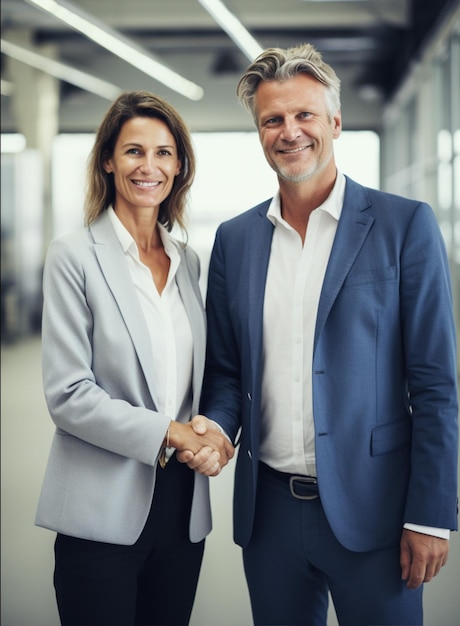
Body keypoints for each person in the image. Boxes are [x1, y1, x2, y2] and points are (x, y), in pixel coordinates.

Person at [179, 44, 459, 625]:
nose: (290, 132)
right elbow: (229, 370)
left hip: (377, 509)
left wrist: (429, 515)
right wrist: (216, 427)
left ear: (335, 121)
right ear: (259, 133)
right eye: (272, 119)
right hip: (271, 515)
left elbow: (434, 385)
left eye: (304, 115)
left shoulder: (404, 225)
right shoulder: (235, 240)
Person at [35, 90, 234, 626]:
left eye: (165, 153)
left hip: (181, 510)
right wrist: (171, 432)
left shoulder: (188, 261)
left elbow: (204, 375)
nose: (150, 166)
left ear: (180, 166)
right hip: (101, 509)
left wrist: (212, 431)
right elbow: (68, 396)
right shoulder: (74, 256)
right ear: (108, 160)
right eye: (134, 151)